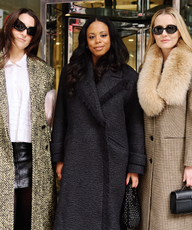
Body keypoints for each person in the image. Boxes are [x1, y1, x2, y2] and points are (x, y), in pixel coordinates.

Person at [50, 16, 146, 230]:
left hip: (113, 159)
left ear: (111, 38)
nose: (98, 41)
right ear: (85, 40)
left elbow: (135, 125)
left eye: (103, 35)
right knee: (72, 215)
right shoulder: (70, 72)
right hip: (77, 157)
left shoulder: (128, 77)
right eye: (91, 37)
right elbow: (61, 118)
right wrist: (58, 157)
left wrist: (134, 166)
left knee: (107, 218)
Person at [0, 8, 56, 230]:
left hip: (35, 156)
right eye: (19, 26)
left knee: (31, 221)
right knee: (2, 222)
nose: (24, 33)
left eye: (30, 30)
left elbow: (49, 120)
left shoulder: (44, 71)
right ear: (9, 26)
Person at [136, 7, 192, 230]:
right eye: (158, 29)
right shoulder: (146, 66)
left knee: (170, 220)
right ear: (153, 33)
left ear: (180, 31)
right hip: (147, 157)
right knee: (148, 219)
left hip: (176, 159)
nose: (164, 34)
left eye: (170, 28)